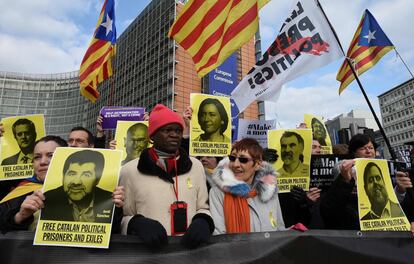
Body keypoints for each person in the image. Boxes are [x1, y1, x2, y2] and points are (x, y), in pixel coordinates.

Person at [120, 104, 214, 249]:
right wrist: (136, 223)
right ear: (153, 135)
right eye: (167, 130)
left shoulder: (196, 166)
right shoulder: (129, 170)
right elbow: (125, 216)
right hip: (149, 254)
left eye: (178, 130)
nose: (174, 134)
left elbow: (203, 207)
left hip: (190, 252)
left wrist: (203, 221)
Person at [0, 136, 124, 233]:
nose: (43, 162)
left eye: (51, 155)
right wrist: (19, 216)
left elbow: (110, 235)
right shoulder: (21, 190)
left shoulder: (101, 194)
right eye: (37, 157)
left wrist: (115, 208)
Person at [209, 138, 285, 234]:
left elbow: (280, 232)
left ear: (257, 164)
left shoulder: (269, 190)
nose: (235, 164)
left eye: (243, 159)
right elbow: (218, 237)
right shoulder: (218, 193)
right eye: (232, 158)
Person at [41, 150, 118, 223]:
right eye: (72, 174)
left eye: (86, 175)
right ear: (63, 176)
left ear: (97, 180)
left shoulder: (109, 199)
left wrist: (117, 207)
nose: (76, 182)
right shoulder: (48, 199)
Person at [320, 134, 379, 229]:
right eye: (363, 148)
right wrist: (345, 181)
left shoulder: (381, 169)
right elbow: (330, 209)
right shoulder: (345, 166)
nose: (368, 151)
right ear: (354, 152)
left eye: (371, 148)